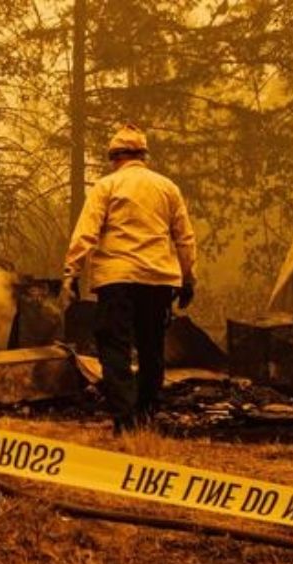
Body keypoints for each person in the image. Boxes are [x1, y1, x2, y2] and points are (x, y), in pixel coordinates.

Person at [62, 124, 197, 434]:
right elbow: (185, 238)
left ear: (114, 157)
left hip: (117, 279)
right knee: (152, 349)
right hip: (159, 280)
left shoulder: (107, 187)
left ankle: (125, 421)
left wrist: (72, 273)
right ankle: (147, 415)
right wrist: (189, 278)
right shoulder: (167, 188)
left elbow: (86, 232)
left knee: (114, 349)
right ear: (143, 155)